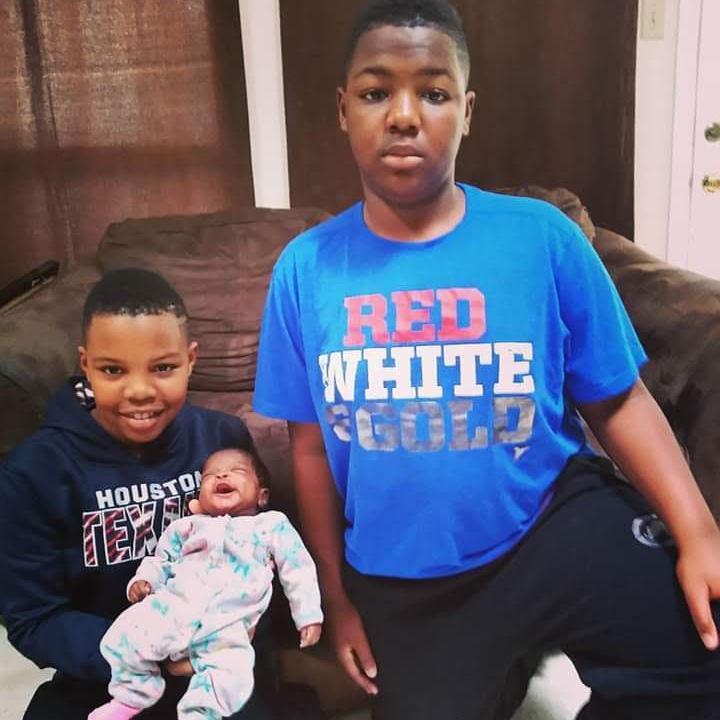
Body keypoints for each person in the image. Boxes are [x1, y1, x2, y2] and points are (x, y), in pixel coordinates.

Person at [253, 1, 720, 718]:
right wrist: (337, 597)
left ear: (466, 111)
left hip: (548, 522)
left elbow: (619, 398)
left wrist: (697, 530)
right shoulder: (305, 269)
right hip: (408, 573)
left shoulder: (542, 238)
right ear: (343, 110)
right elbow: (310, 447)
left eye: (433, 93)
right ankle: (500, 663)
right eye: (376, 92)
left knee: (705, 641)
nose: (404, 116)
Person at [0, 268, 279, 720]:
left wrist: (242, 629)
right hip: (102, 675)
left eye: (163, 367)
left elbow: (264, 558)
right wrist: (144, 653)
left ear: (191, 360)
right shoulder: (31, 473)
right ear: (85, 365)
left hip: (212, 670)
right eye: (113, 370)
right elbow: (34, 618)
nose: (139, 391)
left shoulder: (223, 442)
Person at [89, 446, 323, 720]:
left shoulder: (270, 525)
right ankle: (132, 695)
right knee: (123, 636)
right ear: (198, 498)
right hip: (173, 607)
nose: (221, 475)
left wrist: (307, 614)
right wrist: (145, 580)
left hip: (229, 620)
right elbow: (161, 560)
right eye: (210, 475)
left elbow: (297, 567)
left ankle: (200, 714)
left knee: (230, 672)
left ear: (262, 496)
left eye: (236, 471)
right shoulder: (186, 527)